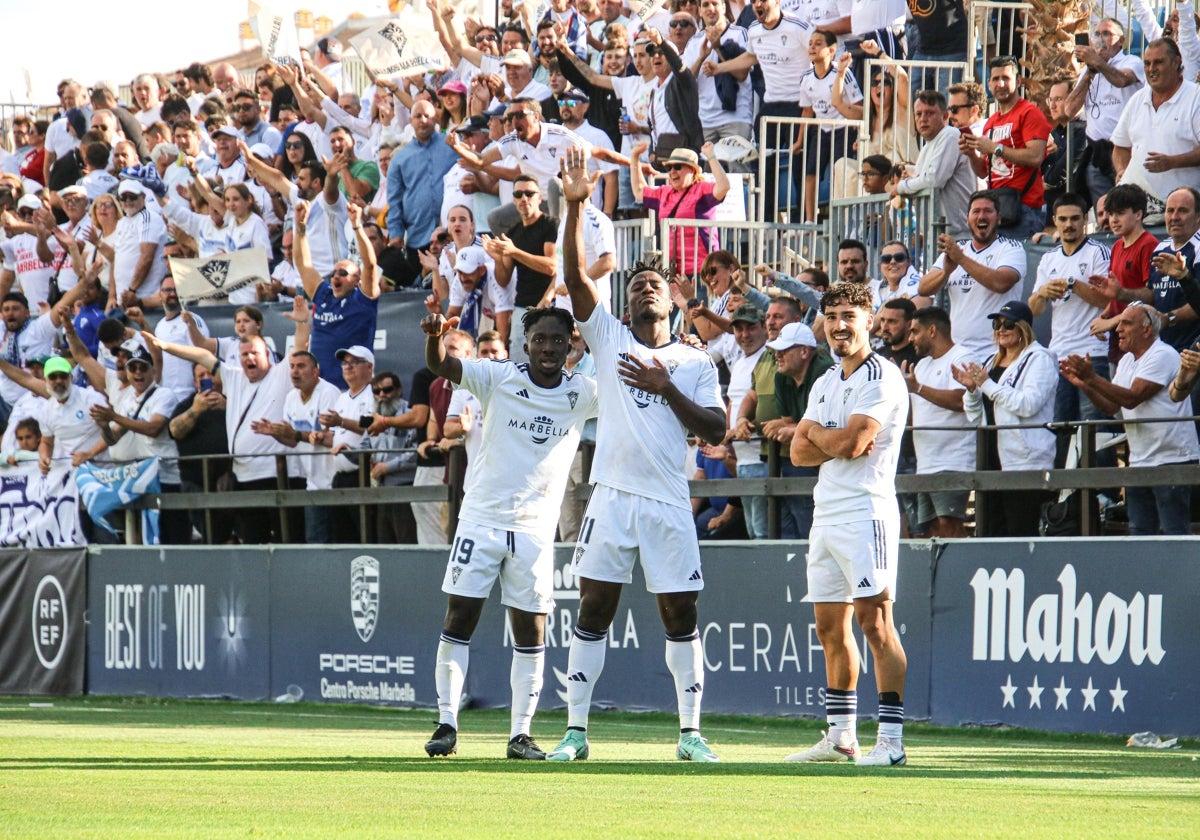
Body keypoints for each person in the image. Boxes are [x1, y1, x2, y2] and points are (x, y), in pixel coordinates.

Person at [548, 147, 726, 763]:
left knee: (680, 612)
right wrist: (574, 207)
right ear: (624, 306)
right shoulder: (610, 337)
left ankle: (690, 734)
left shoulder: (695, 362)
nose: (647, 288)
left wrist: (665, 387)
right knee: (594, 606)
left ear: (674, 302)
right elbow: (574, 280)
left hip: (669, 501)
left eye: (657, 284)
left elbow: (716, 429)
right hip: (613, 499)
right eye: (638, 285)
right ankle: (575, 733)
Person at [420, 306, 598, 760]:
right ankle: (446, 722)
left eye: (558, 340)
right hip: (481, 519)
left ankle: (520, 734)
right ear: (525, 343)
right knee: (459, 619)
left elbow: (633, 388)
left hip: (536, 531)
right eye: (540, 339)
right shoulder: (498, 376)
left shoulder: (583, 392)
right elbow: (441, 365)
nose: (548, 348)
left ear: (572, 344)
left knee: (531, 631)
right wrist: (436, 336)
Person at [787, 280, 909, 767]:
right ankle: (840, 737)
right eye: (832, 316)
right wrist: (822, 436)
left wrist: (816, 432)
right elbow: (798, 454)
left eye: (849, 316)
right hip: (827, 513)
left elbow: (852, 445)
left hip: (866, 510)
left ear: (870, 319)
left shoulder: (883, 376)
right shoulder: (824, 381)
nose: (839, 326)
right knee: (829, 628)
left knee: (875, 624)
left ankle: (892, 743)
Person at [1063, 303, 1199, 535]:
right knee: (1139, 533)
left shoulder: (1163, 354)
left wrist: (1093, 378)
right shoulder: (1126, 360)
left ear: (1147, 330)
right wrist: (1085, 385)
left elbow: (1133, 398)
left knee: (1173, 534)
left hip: (1171, 460)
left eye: (1126, 323)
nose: (1118, 330)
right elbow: (1113, 406)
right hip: (1140, 461)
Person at [953, 301, 1058, 537]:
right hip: (991, 455)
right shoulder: (991, 361)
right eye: (997, 324)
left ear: (1023, 328)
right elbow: (976, 414)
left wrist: (987, 384)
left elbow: (1028, 404)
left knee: (1020, 528)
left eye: (1008, 324)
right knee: (991, 529)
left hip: (1025, 458)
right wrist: (971, 390)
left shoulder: (1040, 358)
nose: (1001, 329)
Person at [1028, 194, 1115, 434]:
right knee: (1059, 429)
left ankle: (1103, 473)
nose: (1069, 225)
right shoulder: (1048, 258)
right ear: (1054, 220)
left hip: (1092, 353)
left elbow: (1107, 300)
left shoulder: (1098, 252)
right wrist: (1043, 293)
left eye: (1075, 218)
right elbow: (1035, 310)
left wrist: (1073, 284)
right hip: (1059, 355)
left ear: (1084, 220)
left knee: (1095, 428)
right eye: (1063, 219)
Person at [918, 191, 1027, 361]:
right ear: (967, 218)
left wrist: (961, 259)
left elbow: (1001, 283)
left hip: (995, 353)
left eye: (988, 211)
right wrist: (946, 272)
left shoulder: (1011, 248)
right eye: (976, 211)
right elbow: (923, 288)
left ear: (998, 218)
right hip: (957, 352)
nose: (981, 216)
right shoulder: (957, 248)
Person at [959, 56, 1051, 239]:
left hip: (1025, 207)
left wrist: (995, 148)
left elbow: (1035, 157)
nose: (1000, 84)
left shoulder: (1029, 113)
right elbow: (985, 172)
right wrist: (970, 153)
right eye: (995, 79)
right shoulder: (991, 122)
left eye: (1005, 78)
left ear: (1018, 81)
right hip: (998, 209)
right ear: (988, 83)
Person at [903, 306, 974, 539]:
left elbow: (962, 400)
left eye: (914, 331)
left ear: (932, 330)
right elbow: (915, 413)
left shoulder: (962, 356)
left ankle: (961, 573)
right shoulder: (921, 366)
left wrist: (919, 388)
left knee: (949, 525)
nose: (910, 338)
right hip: (926, 463)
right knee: (930, 530)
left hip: (953, 460)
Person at [1111, 38, 1200, 212]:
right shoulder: (1137, 99)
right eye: (1147, 63)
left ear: (1176, 62)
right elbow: (1120, 146)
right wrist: (1121, 169)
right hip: (1137, 211)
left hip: (1182, 212)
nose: (1151, 69)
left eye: (1158, 62)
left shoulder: (1195, 98)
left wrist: (1172, 162)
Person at [630, 141, 728, 280]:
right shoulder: (665, 192)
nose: (672, 172)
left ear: (693, 170)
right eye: (669, 168)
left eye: (677, 167)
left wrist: (711, 156)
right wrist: (634, 158)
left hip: (702, 272)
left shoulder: (701, 189)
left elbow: (723, 186)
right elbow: (639, 191)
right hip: (673, 273)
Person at [891, 90, 978, 241]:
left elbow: (934, 180)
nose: (923, 119)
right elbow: (925, 181)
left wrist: (901, 187)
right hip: (938, 237)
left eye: (929, 113)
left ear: (945, 117)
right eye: (918, 114)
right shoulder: (927, 147)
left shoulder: (950, 135)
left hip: (959, 237)